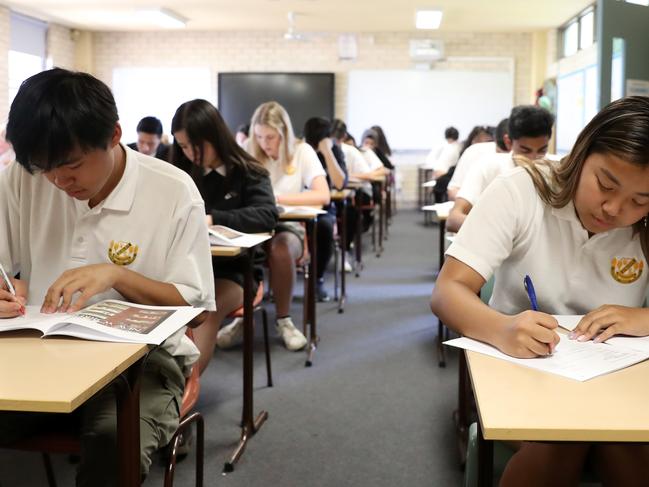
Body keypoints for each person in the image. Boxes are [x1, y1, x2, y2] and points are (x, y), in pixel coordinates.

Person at [0, 68, 215, 486]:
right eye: (45, 169)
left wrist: (116, 275)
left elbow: (197, 312)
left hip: (144, 361)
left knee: (112, 439)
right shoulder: (23, 177)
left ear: (115, 135)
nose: (59, 181)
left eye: (72, 165)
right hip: (43, 347)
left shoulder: (172, 189)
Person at [431, 96, 649, 487]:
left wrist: (643, 317)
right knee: (565, 436)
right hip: (523, 367)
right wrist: (502, 329)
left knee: (626, 442)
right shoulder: (520, 192)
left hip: (620, 376)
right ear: (582, 152)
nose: (614, 209)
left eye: (640, 200)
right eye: (605, 184)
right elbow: (449, 290)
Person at [170, 99, 279, 365]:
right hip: (182, 268)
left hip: (233, 272)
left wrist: (214, 218)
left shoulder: (249, 172)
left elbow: (267, 215)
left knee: (205, 310)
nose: (191, 154)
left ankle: (181, 400)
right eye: (183, 146)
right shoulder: (178, 171)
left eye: (197, 146)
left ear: (215, 137)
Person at [248, 101, 330, 350]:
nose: (265, 143)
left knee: (280, 249)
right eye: (259, 136)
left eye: (271, 137)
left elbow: (322, 194)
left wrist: (277, 199)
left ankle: (283, 319)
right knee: (240, 253)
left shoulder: (302, 151)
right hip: (255, 226)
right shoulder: (248, 150)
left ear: (283, 133)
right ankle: (244, 315)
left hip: (289, 225)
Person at [446, 106, 554, 232]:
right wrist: (500, 232)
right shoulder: (488, 167)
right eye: (525, 150)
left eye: (542, 150)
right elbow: (453, 219)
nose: (533, 159)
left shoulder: (554, 171)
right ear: (508, 142)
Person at [303, 116, 348, 301]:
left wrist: (327, 152)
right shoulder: (302, 151)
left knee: (325, 228)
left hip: (323, 208)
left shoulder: (334, 151)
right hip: (298, 205)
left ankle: (317, 278)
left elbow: (339, 184)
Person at [433, 125, 495, 203]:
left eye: (487, 142)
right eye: (478, 140)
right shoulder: (467, 151)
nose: (482, 145)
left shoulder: (457, 148)